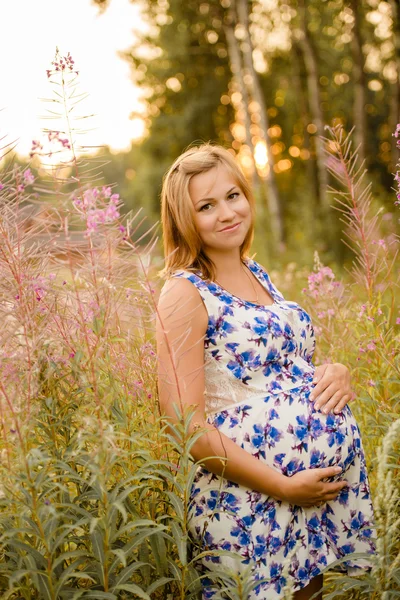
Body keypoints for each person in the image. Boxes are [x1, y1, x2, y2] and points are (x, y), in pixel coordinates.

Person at [156, 144, 375, 600]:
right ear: (183, 219)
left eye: (233, 195)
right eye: (206, 206)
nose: (227, 213)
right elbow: (184, 425)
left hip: (304, 502)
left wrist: (335, 372)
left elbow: (279, 372)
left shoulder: (257, 274)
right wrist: (282, 486)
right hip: (249, 502)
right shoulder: (183, 294)